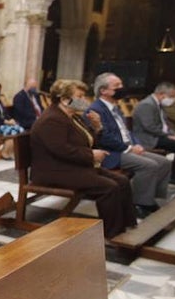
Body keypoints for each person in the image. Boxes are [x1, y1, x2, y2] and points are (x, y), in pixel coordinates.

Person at [30, 79, 137, 239]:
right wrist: (91, 155)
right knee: (109, 187)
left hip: (72, 166)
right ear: (65, 99)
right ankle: (113, 233)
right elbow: (61, 150)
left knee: (122, 181)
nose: (84, 101)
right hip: (54, 171)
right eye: (79, 96)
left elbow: (87, 141)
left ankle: (127, 224)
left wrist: (97, 127)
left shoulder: (73, 116)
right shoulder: (51, 119)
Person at [87, 72, 171, 217]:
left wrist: (137, 144)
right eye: (117, 86)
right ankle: (140, 204)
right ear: (103, 91)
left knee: (164, 162)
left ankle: (150, 197)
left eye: (121, 84)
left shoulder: (115, 107)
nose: (122, 88)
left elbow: (127, 131)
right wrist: (129, 148)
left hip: (127, 148)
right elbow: (104, 138)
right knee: (149, 165)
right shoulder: (95, 109)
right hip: (111, 153)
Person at [131, 82, 175, 187]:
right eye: (171, 96)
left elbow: (165, 125)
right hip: (149, 138)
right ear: (162, 94)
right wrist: (168, 136)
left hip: (158, 135)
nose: (172, 99)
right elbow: (149, 127)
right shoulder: (146, 105)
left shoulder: (158, 104)